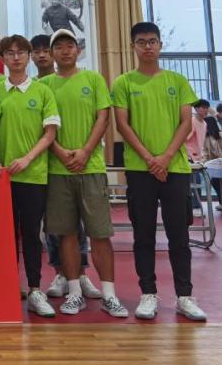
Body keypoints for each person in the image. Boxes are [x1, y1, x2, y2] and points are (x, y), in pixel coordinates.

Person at [113, 22, 206, 322]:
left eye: (152, 41)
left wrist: (165, 157)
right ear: (133, 46)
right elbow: (122, 124)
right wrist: (150, 159)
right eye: (141, 42)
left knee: (179, 235)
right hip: (140, 170)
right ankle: (148, 293)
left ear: (160, 45)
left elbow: (186, 122)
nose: (148, 47)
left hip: (175, 168)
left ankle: (185, 296)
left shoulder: (177, 81)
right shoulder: (124, 83)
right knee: (143, 235)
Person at [41, 29, 128, 317]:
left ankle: (109, 295)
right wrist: (60, 152)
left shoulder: (93, 79)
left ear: (78, 50)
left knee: (100, 233)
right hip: (58, 170)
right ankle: (75, 292)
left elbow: (102, 118)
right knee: (66, 233)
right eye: (59, 47)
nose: (65, 51)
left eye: (70, 46)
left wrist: (86, 151)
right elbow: (43, 125)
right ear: (51, 54)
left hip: (91, 168)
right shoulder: (45, 85)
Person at [0, 34, 59, 318]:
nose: (16, 57)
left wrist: (28, 158)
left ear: (28, 57)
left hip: (33, 175)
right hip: (0, 179)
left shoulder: (42, 91)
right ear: (3, 58)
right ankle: (7, 287)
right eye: (10, 53)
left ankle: (34, 289)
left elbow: (50, 133)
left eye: (21, 53)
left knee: (31, 235)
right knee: (5, 236)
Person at [31, 33, 94, 297]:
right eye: (37, 51)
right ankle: (60, 273)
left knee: (78, 225)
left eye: (46, 50)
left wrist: (82, 152)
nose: (42, 55)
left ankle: (81, 274)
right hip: (45, 167)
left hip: (77, 163)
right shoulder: (33, 87)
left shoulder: (82, 79)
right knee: (54, 225)